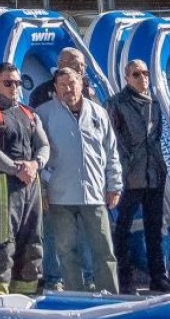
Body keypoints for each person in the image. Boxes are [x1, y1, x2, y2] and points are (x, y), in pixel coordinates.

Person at [37, 67, 122, 292]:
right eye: (62, 84)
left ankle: (111, 297)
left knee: (104, 250)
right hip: (59, 195)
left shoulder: (98, 112)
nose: (68, 88)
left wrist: (114, 185)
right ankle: (75, 294)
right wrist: (43, 190)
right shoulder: (43, 114)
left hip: (94, 194)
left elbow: (111, 152)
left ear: (81, 83)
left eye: (72, 83)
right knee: (66, 250)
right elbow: (37, 155)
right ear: (55, 88)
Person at [0, 62, 52, 295]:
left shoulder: (28, 112)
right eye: (8, 83)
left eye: (17, 83)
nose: (14, 87)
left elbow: (44, 145)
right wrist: (17, 168)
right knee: (1, 244)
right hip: (0, 186)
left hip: (30, 185)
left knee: (32, 243)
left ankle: (26, 296)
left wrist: (35, 164)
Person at [109, 59, 170, 293]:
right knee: (123, 228)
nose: (142, 78)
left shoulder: (154, 103)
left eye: (145, 73)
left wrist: (159, 165)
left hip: (154, 173)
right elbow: (114, 140)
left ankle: (159, 276)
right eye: (136, 74)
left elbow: (157, 138)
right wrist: (124, 168)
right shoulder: (116, 103)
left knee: (154, 227)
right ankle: (125, 280)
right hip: (129, 175)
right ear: (127, 77)